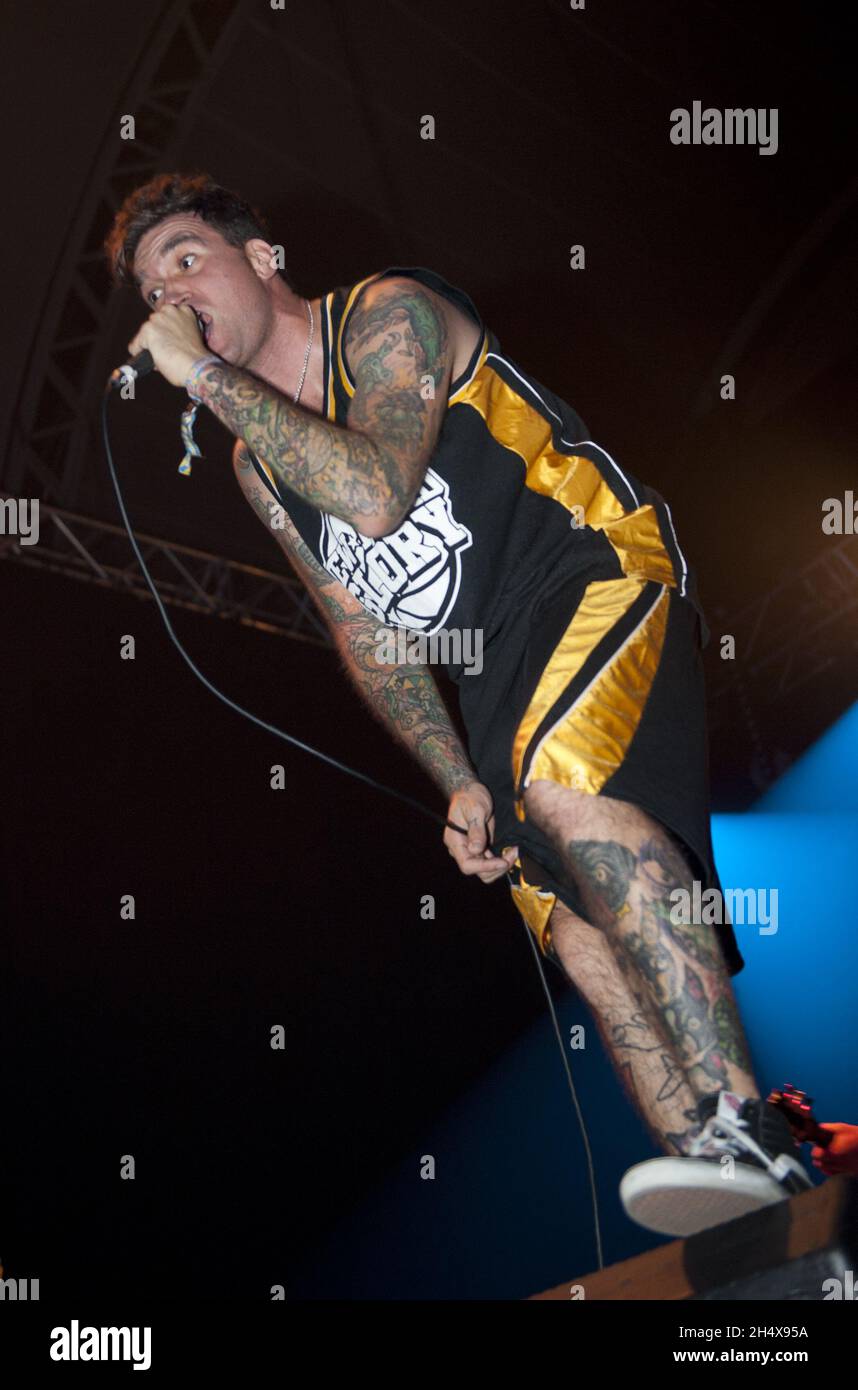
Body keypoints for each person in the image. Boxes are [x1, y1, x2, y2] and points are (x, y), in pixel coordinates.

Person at [103, 173, 813, 1237]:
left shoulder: (388, 315)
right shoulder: (259, 465)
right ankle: (732, 1190)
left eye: (187, 260)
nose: (168, 293)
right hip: (494, 677)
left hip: (590, 570)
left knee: (570, 792)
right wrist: (455, 777)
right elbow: (367, 632)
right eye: (151, 285)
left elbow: (380, 490)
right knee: (569, 918)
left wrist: (198, 370)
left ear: (260, 260)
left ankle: (744, 1116)